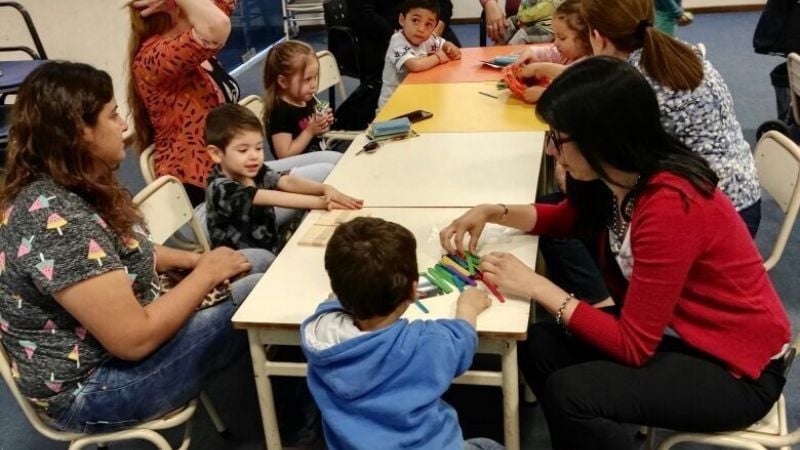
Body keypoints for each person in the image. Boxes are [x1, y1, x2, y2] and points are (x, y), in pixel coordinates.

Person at [439, 57, 791, 450]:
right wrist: (493, 211)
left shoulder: (671, 203)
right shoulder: (619, 176)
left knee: (569, 392)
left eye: (559, 139)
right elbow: (566, 218)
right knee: (540, 345)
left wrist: (537, 286)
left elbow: (632, 346)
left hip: (739, 369)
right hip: (680, 334)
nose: (554, 153)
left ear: (600, 138)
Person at [0, 61, 268, 432]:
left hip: (117, 342)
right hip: (92, 390)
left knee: (250, 261)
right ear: (81, 131)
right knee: (255, 289)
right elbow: (134, 340)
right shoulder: (53, 219)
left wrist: (196, 260)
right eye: (112, 116)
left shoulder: (72, 181)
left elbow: (128, 247)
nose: (124, 126)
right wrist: (205, 274)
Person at [300, 217, 504, 450]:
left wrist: (363, 284)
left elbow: (330, 302)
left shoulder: (319, 332)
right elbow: (462, 342)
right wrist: (467, 307)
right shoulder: (423, 343)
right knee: (488, 445)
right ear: (413, 289)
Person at [582, 0, 762, 235]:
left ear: (597, 37)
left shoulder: (631, 85)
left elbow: (609, 164)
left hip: (710, 215)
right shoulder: (673, 52)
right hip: (741, 197)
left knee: (585, 200)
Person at [205, 103, 363, 253]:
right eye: (243, 150)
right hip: (242, 263)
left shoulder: (249, 168)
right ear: (216, 154)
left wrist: (324, 188)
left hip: (268, 244)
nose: (254, 155)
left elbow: (285, 181)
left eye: (259, 148)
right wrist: (323, 202)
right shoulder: (221, 188)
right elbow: (274, 197)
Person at [129, 0, 239, 207]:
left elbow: (225, 5)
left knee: (318, 172)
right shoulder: (152, 57)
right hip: (202, 186)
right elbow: (218, 25)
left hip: (233, 170)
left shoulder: (195, 48)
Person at [262, 40, 347, 162]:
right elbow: (284, 155)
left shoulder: (306, 99)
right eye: (307, 79)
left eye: (315, 77)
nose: (314, 85)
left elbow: (316, 136)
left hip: (318, 158)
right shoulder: (279, 112)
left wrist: (323, 124)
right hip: (296, 173)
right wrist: (309, 131)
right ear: (283, 82)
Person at [352, 0, 461, 84]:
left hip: (426, 23)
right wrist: (438, 57)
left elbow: (445, 4)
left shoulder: (424, 29)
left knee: (457, 65)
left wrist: (439, 34)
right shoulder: (398, 41)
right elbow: (363, 12)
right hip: (384, 32)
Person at [378, 0, 462, 109]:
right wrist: (437, 57)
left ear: (434, 27)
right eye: (415, 20)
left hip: (412, 96)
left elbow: (443, 44)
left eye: (428, 24)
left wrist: (450, 48)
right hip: (393, 106)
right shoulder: (397, 41)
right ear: (402, 20)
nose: (421, 29)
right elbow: (415, 65)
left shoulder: (426, 38)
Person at [511, 0, 591, 103]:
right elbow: (546, 51)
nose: (555, 43)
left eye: (562, 38)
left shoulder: (591, 61)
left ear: (586, 40)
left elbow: (574, 82)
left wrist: (545, 94)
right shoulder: (564, 54)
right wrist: (530, 52)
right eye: (555, 36)